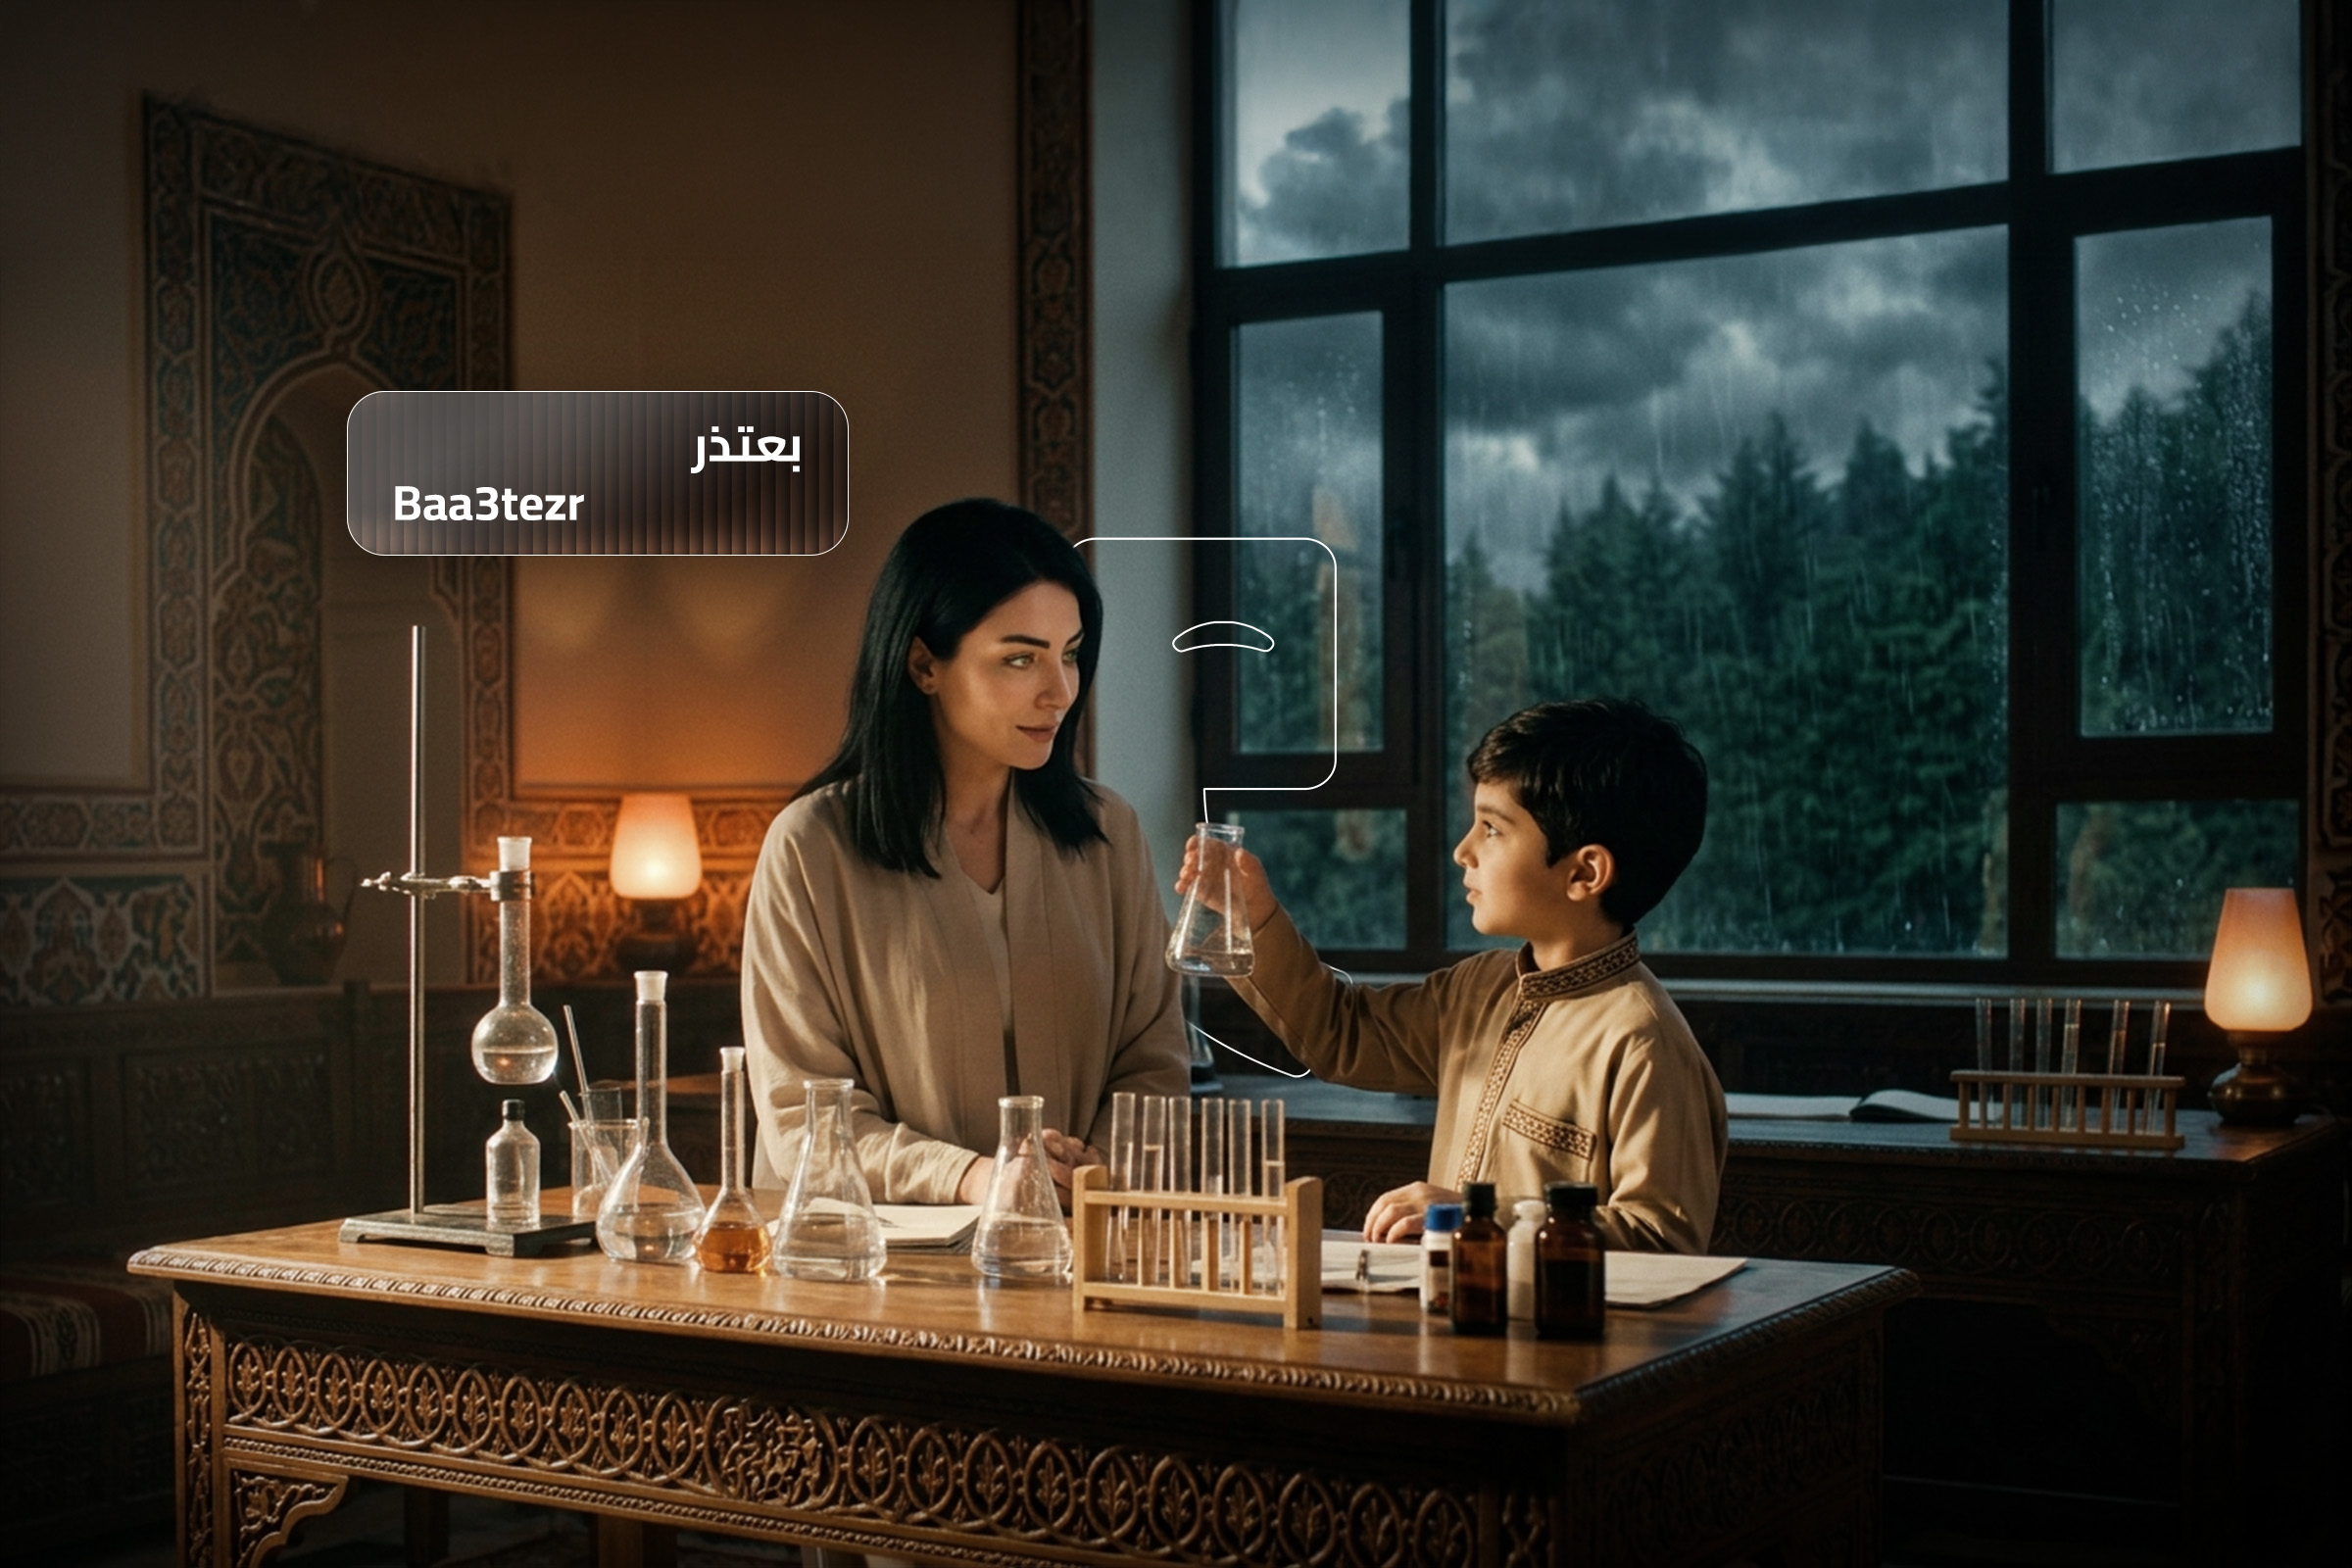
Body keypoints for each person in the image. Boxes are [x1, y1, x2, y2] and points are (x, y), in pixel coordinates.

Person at [742, 498, 1190, 1205]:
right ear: (924, 664)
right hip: (872, 1257)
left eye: (1071, 655)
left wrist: (1093, 1170)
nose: (1060, 692)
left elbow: (1154, 1063)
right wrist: (975, 1177)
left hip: (1077, 1241)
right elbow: (804, 1120)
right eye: (1020, 659)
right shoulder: (811, 849)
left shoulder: (1109, 835)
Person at [1180, 698, 1727, 1252]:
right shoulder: (1476, 990)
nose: (1463, 850)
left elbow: (1664, 1241)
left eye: (1492, 829)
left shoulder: (1644, 1043)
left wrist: (1478, 1217)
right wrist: (1254, 919)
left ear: (1585, 872)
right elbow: (1341, 1031)